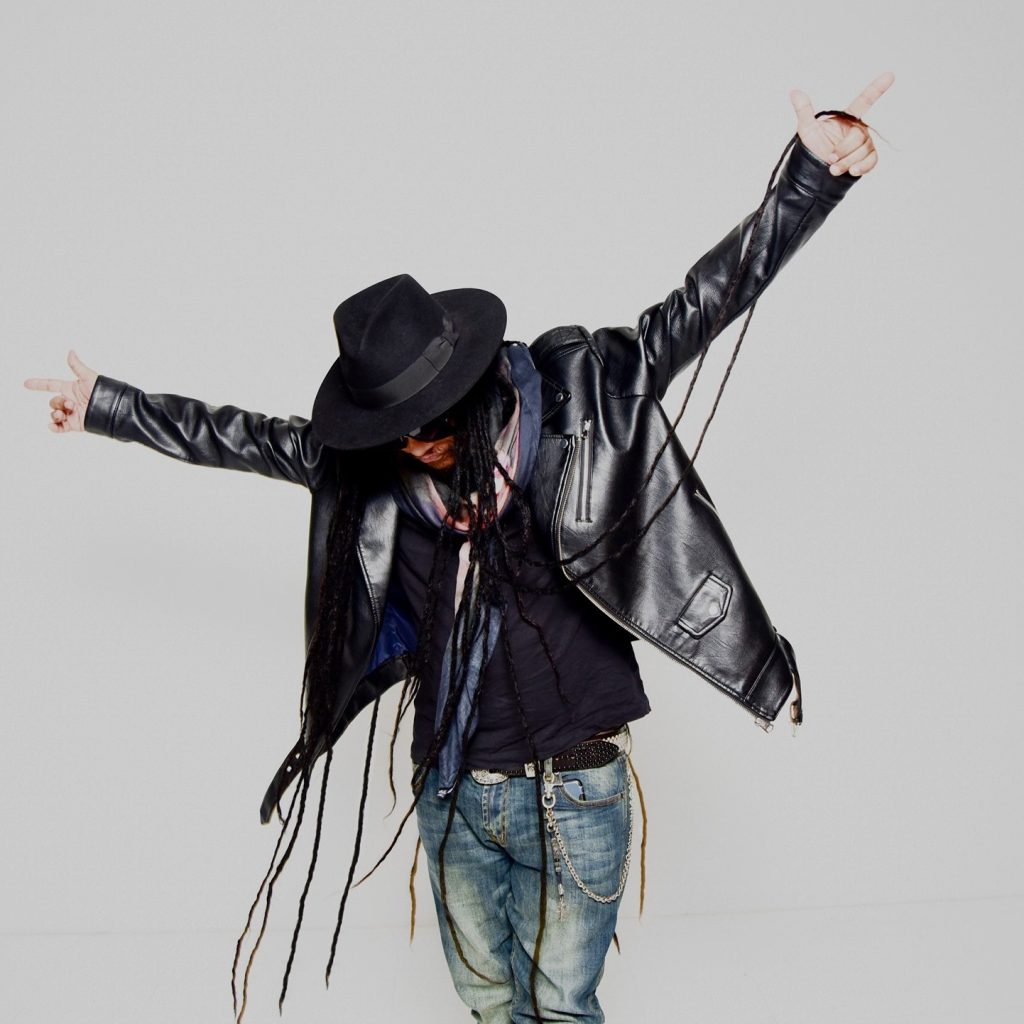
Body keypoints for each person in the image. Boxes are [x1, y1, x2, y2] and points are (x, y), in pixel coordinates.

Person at [25, 75, 893, 1024]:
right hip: (451, 793)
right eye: (396, 426)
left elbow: (705, 302)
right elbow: (241, 435)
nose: (418, 441)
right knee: (486, 1006)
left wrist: (810, 176)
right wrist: (109, 404)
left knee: (561, 1009)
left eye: (432, 419)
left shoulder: (585, 400)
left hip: (577, 786)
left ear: (472, 379)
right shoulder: (371, 472)